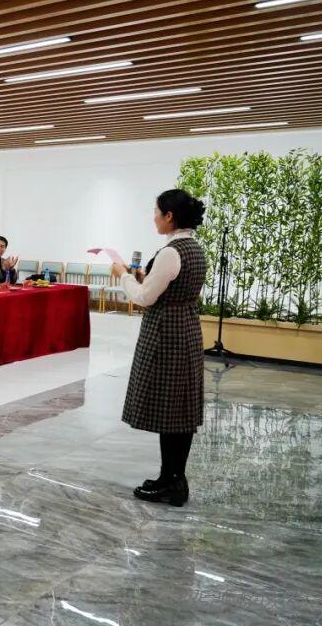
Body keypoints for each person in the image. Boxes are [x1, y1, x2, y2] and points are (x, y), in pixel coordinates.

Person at [113, 189, 207, 508]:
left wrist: (124, 277)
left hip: (166, 332)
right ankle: (171, 477)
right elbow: (170, 285)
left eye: (156, 212)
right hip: (186, 328)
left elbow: (144, 298)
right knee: (179, 409)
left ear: (169, 216)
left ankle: (174, 482)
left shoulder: (170, 252)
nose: (153, 218)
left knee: (170, 408)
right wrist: (145, 277)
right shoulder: (193, 247)